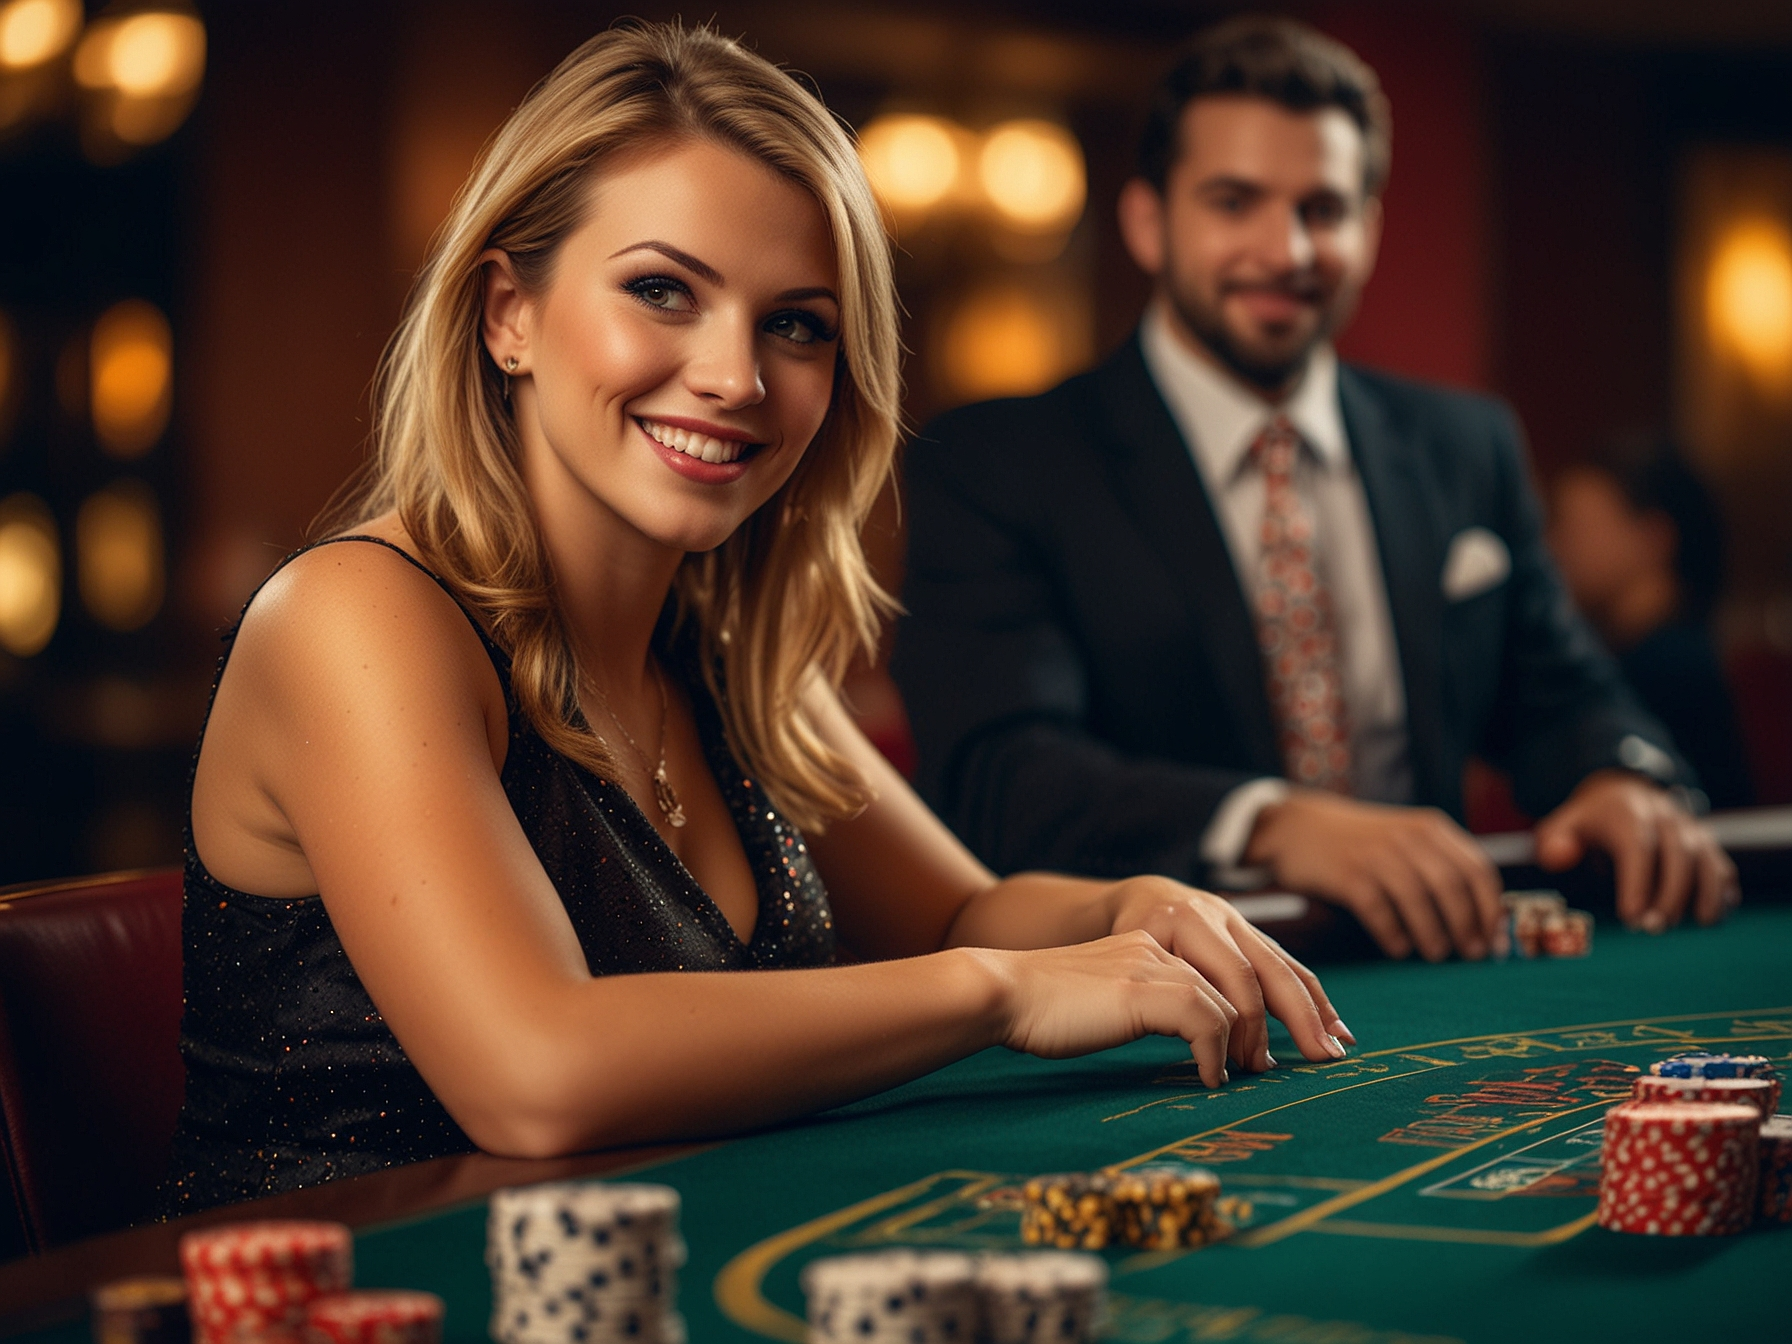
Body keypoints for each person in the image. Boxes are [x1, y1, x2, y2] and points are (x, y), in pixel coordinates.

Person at [159, 22, 1349, 1217]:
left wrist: (1122, 908)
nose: (735, 376)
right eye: (662, 291)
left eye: (795, 324)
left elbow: (955, 910)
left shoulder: (721, 653)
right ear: (506, 314)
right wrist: (1001, 991)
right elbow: (537, 1075)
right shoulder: (354, 616)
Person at [892, 16, 1737, 968]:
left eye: (1323, 209)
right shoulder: (997, 459)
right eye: (1234, 201)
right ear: (1146, 220)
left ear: (1368, 227)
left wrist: (1616, 773)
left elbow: (1561, 693)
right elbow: (1001, 774)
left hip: (1443, 979)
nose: (1286, 248)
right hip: (1154, 1004)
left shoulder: (1467, 442)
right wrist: (1269, 823)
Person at [1548, 440, 1755, 810]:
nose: (1555, 547)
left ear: (1654, 538)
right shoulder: (1643, 654)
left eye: (1575, 526)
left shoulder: (1670, 667)